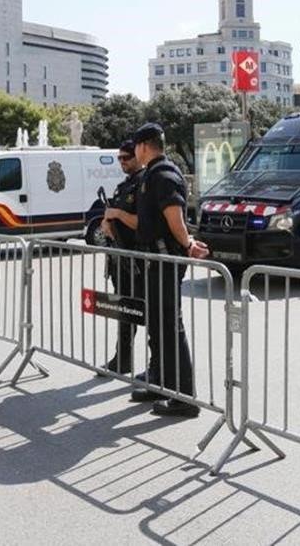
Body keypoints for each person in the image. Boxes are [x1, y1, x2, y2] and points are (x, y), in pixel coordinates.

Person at [130, 123, 210, 418]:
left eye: (135, 147)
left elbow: (174, 218)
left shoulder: (162, 174)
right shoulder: (153, 173)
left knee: (169, 327)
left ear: (143, 146)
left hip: (164, 259)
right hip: (154, 260)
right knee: (157, 324)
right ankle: (162, 381)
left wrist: (187, 243)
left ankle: (185, 397)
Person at [98, 139, 145, 375]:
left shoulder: (143, 184)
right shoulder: (123, 186)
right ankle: (122, 358)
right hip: (120, 258)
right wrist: (107, 221)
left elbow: (142, 221)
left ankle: (157, 366)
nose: (122, 163)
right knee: (125, 310)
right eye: (119, 159)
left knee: (145, 312)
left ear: (138, 155)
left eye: (126, 158)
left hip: (138, 259)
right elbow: (111, 214)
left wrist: (116, 213)